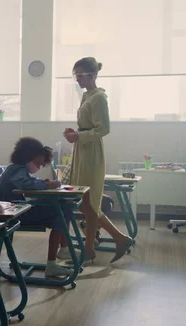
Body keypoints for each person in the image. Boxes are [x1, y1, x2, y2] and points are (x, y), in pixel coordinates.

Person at [63, 57, 133, 263]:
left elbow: (104, 129)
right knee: (84, 202)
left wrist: (80, 136)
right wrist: (75, 133)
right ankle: (119, 238)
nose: (77, 80)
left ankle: (90, 247)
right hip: (82, 150)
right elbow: (88, 126)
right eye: (75, 76)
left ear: (92, 75)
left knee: (89, 201)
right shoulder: (86, 96)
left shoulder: (99, 97)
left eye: (80, 75)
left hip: (91, 152)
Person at [0, 138, 75, 277]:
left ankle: (63, 249)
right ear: (27, 157)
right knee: (61, 212)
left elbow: (30, 180)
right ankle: (54, 261)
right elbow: (26, 184)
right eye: (37, 163)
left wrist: (44, 182)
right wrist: (46, 185)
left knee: (63, 208)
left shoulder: (15, 169)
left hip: (16, 210)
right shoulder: (17, 170)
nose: (38, 167)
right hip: (16, 214)